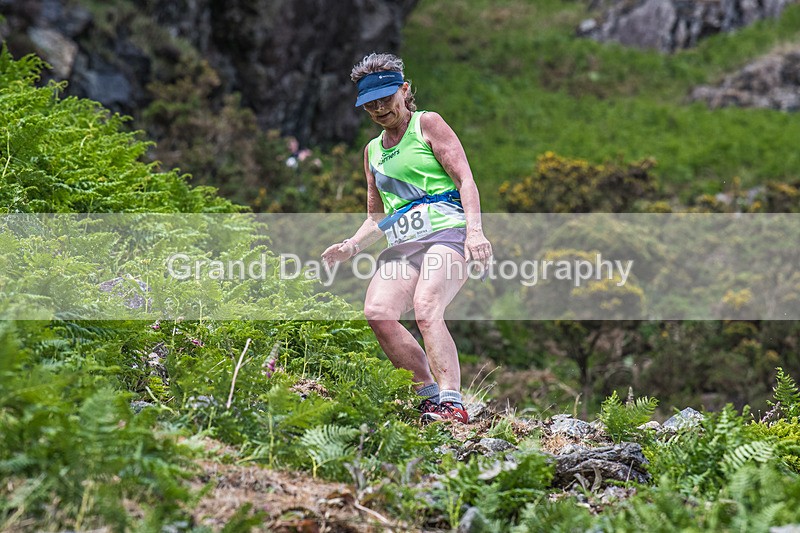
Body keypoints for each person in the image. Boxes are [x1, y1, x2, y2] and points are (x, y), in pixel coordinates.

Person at [322, 52, 492, 424]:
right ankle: (428, 397)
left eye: (386, 98)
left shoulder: (427, 124)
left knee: (427, 307)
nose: (381, 108)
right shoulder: (372, 152)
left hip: (447, 232)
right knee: (378, 313)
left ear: (404, 89)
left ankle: (453, 403)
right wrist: (350, 246)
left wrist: (475, 232)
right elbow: (376, 217)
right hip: (401, 242)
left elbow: (465, 179)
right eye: (371, 104)